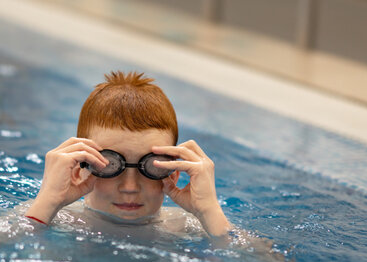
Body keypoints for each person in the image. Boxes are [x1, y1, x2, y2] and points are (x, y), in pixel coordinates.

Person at [24, 70, 232, 238]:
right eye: (109, 164)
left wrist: (209, 211)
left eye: (152, 166)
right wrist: (48, 201)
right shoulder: (48, 213)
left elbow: (258, 260)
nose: (130, 187)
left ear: (173, 174)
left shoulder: (187, 227)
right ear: (78, 171)